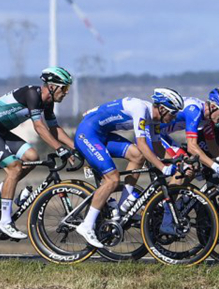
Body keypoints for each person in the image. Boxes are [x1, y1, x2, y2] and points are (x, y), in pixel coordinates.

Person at [0, 67, 78, 241]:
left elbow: (54, 128)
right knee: (14, 168)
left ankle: (2, 189)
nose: (66, 93)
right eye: (64, 88)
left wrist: (74, 147)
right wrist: (59, 149)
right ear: (51, 86)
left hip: (0, 131)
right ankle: (5, 222)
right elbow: (39, 127)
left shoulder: (47, 102)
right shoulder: (32, 94)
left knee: (31, 157)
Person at [73, 88, 184, 247]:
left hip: (102, 135)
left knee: (137, 156)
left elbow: (158, 148)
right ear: (162, 108)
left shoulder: (155, 121)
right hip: (88, 134)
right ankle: (87, 225)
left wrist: (177, 161)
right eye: (173, 113)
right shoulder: (141, 109)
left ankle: (124, 202)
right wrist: (163, 168)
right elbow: (143, 144)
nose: (174, 117)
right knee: (113, 179)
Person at [158, 88, 219, 176]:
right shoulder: (195, 111)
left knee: (189, 167)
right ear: (213, 107)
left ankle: (172, 189)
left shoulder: (207, 119)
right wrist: (214, 166)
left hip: (161, 134)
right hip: (152, 133)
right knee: (183, 167)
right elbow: (191, 147)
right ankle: (171, 189)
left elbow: (212, 146)